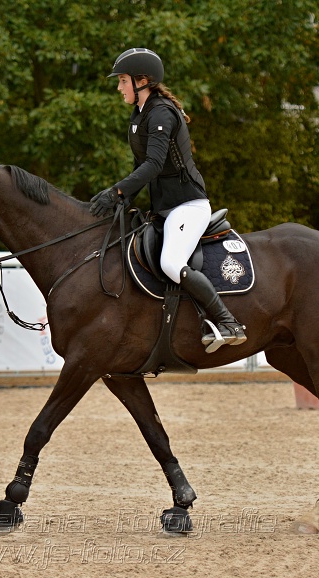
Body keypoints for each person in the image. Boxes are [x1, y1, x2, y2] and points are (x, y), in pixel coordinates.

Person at [89, 48, 246, 351]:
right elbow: (141, 167)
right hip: (163, 209)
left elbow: (155, 165)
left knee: (171, 263)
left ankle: (227, 321)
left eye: (122, 81)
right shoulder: (139, 115)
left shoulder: (160, 112)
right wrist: (123, 199)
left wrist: (117, 190)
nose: (119, 88)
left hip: (188, 205)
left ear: (142, 80)